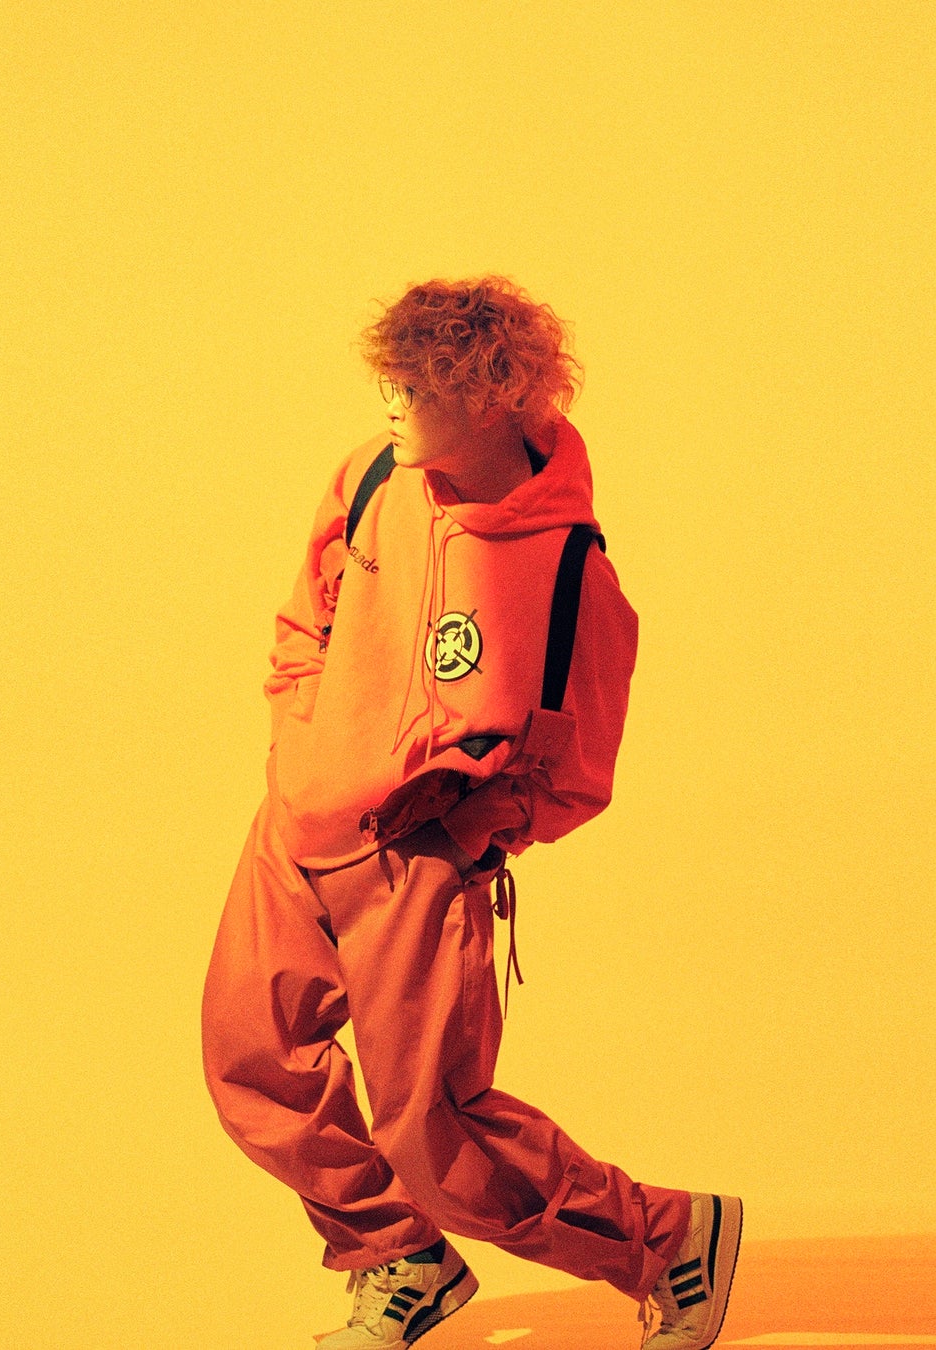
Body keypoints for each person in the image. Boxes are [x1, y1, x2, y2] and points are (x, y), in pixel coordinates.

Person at [201, 276, 742, 1349]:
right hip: (298, 827)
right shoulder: (370, 479)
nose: (389, 403)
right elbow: (303, 629)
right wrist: (298, 757)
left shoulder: (568, 570)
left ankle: (666, 1238)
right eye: (388, 380)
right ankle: (397, 1258)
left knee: (433, 1131)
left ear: (492, 395)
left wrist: (461, 837)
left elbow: (577, 767)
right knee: (250, 1063)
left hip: (416, 860)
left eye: (414, 387)